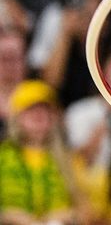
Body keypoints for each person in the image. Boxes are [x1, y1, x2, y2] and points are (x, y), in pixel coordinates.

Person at [0, 80, 79, 225]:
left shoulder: (69, 159)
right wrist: (11, 216)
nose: (39, 115)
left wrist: (66, 215)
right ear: (16, 117)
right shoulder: (3, 156)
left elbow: (86, 209)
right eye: (30, 109)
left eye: (45, 109)